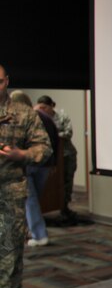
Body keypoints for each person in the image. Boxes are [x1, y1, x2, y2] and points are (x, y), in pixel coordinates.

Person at [0, 65, 51, 288]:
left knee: (9, 251)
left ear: (7, 81)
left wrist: (22, 155)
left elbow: (45, 148)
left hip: (9, 193)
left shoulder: (24, 114)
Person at [8, 91, 58, 247]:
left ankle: (39, 235)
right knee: (33, 199)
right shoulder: (45, 117)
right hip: (44, 163)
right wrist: (54, 163)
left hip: (27, 163)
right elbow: (54, 140)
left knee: (30, 200)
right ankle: (30, 231)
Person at [35, 95, 77, 222]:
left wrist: (53, 134)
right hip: (49, 156)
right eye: (40, 107)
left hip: (66, 154)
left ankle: (65, 208)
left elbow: (68, 133)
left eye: (44, 107)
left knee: (67, 181)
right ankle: (45, 209)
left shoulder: (62, 116)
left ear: (51, 106)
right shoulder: (37, 118)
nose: (42, 110)